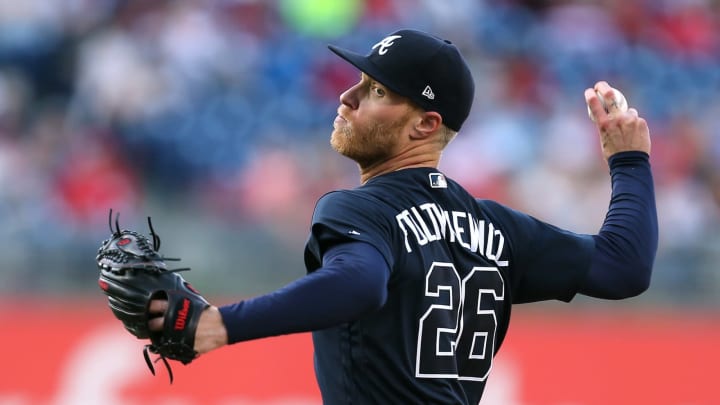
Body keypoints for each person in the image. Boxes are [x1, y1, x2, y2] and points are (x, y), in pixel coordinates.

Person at [148, 29, 658, 404]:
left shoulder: (362, 208)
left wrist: (217, 325)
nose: (347, 97)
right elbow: (623, 267)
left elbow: (359, 285)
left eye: (374, 91)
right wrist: (629, 162)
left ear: (425, 124)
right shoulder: (500, 229)